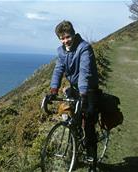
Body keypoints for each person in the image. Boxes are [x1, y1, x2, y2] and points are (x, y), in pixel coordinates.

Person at [50, 20, 99, 172]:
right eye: (62, 38)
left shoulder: (84, 48)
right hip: (74, 88)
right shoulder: (61, 51)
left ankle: (92, 160)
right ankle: (74, 155)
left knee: (89, 123)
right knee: (72, 121)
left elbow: (85, 71)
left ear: (73, 34)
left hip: (89, 89)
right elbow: (58, 69)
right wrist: (53, 89)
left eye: (67, 37)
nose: (65, 41)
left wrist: (83, 92)